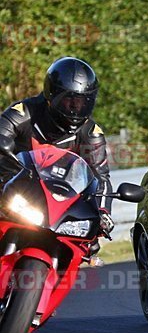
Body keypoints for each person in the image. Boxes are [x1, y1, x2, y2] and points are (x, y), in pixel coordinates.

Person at [0, 57, 114, 237]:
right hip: (14, 194)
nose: (75, 109)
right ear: (52, 95)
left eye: (83, 102)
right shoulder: (24, 112)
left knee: (90, 244)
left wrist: (103, 213)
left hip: (61, 205)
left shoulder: (91, 132)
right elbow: (2, 133)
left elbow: (101, 176)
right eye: (69, 101)